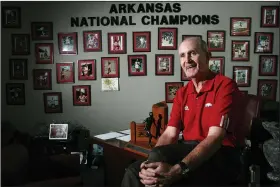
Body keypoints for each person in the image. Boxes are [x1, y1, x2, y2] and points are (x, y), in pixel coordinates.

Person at [121, 37, 245, 187]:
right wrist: (148, 164)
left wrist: (177, 170)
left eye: (192, 53)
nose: (187, 60)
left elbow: (215, 138)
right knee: (135, 171)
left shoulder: (225, 86)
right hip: (189, 150)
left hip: (222, 155)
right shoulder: (182, 93)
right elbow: (169, 134)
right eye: (182, 55)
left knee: (159, 162)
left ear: (207, 56)